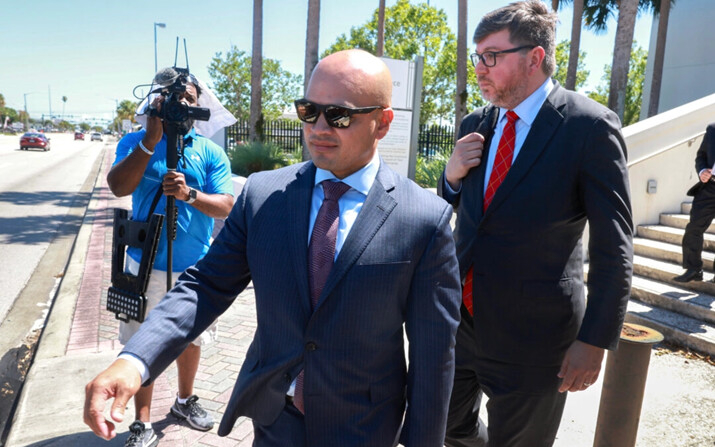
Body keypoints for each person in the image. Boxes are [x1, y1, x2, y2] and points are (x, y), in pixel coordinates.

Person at [84, 49, 462, 447]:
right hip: (273, 421)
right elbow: (205, 285)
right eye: (308, 111)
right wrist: (134, 361)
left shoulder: (424, 218)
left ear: (382, 122)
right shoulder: (263, 196)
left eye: (339, 115)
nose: (318, 127)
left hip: (363, 426)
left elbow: (433, 356)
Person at [437, 2, 634, 446]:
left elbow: (614, 244)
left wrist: (595, 340)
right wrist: (448, 178)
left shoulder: (589, 126)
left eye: (492, 56)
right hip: (461, 322)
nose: (479, 69)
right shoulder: (476, 124)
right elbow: (466, 213)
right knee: (444, 427)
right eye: (476, 57)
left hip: (536, 338)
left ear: (534, 57)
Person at [103, 69, 236, 447]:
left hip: (195, 268)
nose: (181, 102)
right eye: (172, 96)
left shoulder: (210, 151)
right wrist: (150, 140)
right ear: (155, 101)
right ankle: (142, 422)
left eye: (189, 97)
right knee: (141, 341)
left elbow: (225, 206)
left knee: (191, 339)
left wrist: (189, 195)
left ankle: (183, 401)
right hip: (143, 266)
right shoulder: (134, 141)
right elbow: (117, 187)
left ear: (199, 104)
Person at [673, 123, 715, 283]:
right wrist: (702, 170)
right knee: (694, 228)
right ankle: (694, 269)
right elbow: (701, 156)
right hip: (709, 187)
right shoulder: (712, 129)